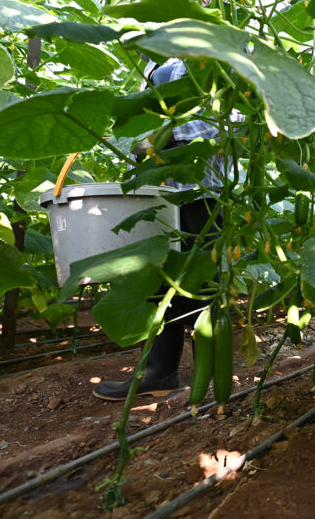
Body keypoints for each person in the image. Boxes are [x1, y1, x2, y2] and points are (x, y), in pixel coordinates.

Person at [92, 58, 227, 400]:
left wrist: (160, 139)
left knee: (200, 284)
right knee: (157, 283)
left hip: (200, 194)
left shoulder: (211, 53)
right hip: (159, 193)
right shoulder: (156, 60)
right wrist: (142, 141)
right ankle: (159, 372)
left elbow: (226, 123)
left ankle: (211, 378)